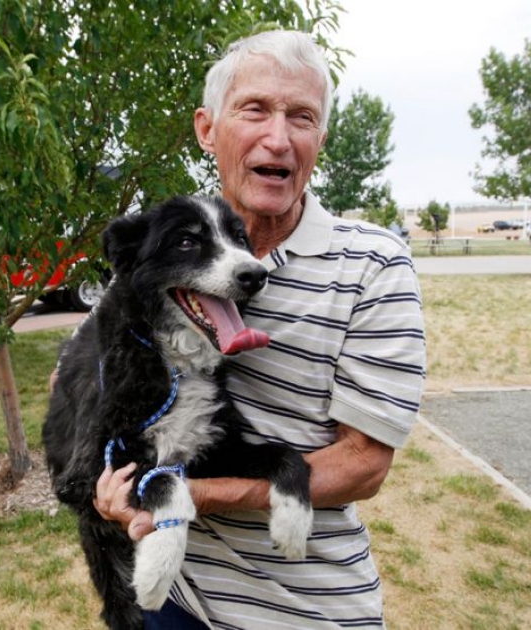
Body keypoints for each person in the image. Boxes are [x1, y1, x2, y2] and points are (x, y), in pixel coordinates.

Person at [94, 30, 426, 629]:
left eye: (302, 117)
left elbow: (363, 465)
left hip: (307, 610)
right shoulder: (163, 248)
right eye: (255, 110)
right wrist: (110, 481)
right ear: (207, 128)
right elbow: (95, 376)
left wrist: (179, 498)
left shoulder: (374, 265)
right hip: (175, 598)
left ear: (320, 140)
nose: (279, 137)